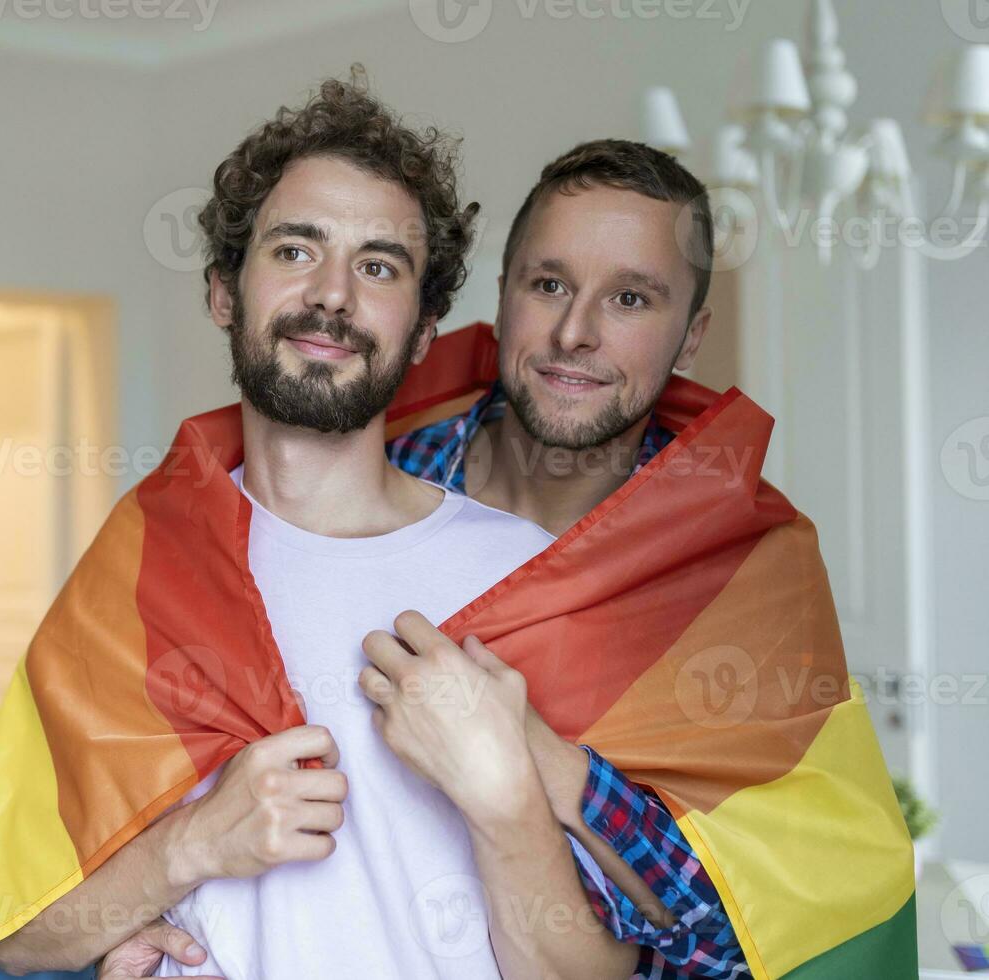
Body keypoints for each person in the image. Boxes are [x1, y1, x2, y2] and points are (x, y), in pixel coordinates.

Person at [0, 75, 661, 980]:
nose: (333, 295)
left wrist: (500, 793)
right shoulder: (143, 565)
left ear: (424, 330)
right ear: (226, 291)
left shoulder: (529, 581)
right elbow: (13, 927)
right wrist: (190, 847)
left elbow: (600, 974)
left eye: (379, 266)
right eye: (297, 250)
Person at [93, 139, 751, 980]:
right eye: (549, 285)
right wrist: (161, 899)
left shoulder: (731, 578)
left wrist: (520, 768)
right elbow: (16, 898)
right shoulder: (176, 542)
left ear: (691, 336)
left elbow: (718, 947)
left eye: (629, 298)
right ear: (501, 299)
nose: (575, 333)